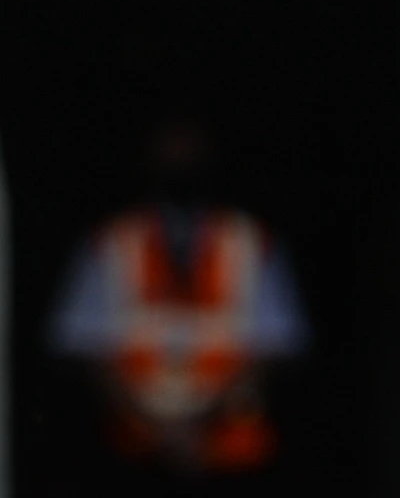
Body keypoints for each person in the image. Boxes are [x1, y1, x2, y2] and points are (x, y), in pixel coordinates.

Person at [48, 117, 305, 476]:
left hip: (230, 451)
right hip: (130, 451)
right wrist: (160, 429)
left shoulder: (250, 241)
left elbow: (276, 345)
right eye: (171, 144)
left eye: (189, 144)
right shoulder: (113, 242)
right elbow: (83, 345)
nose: (180, 156)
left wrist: (198, 425)